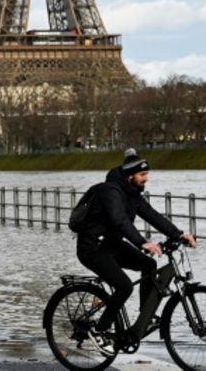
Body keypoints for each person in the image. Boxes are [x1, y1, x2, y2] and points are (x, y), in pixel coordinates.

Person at [75, 150, 197, 351]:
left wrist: (178, 234)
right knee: (124, 287)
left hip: (111, 245)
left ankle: (145, 317)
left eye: (147, 174)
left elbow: (152, 215)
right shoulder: (110, 191)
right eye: (142, 175)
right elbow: (119, 220)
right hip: (92, 248)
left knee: (148, 264)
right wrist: (142, 242)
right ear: (130, 175)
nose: (146, 179)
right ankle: (98, 330)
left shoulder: (133, 194)